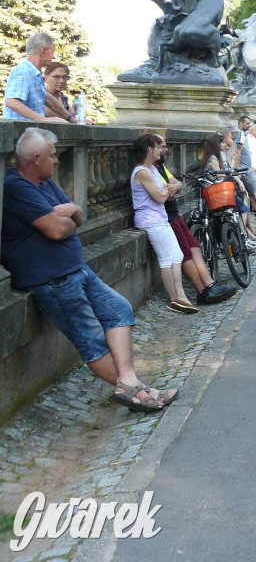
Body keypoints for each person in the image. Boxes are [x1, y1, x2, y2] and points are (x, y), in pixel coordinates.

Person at [2, 128, 178, 412]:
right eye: (52, 156)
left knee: (119, 309)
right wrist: (68, 216)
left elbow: (79, 214)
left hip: (75, 268)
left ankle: (130, 384)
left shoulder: (44, 182)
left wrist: (71, 209)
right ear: (35, 158)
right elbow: (58, 230)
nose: (58, 160)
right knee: (91, 341)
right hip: (52, 279)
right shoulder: (17, 186)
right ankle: (138, 393)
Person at [153, 135, 236, 304]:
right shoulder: (150, 171)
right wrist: (173, 188)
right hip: (166, 217)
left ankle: (210, 285)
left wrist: (174, 187)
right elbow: (166, 195)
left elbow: (177, 185)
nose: (166, 150)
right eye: (161, 147)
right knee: (185, 253)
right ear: (151, 149)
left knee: (194, 247)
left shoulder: (161, 168)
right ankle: (202, 291)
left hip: (174, 214)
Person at [130, 134, 195, 314]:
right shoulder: (142, 171)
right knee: (167, 259)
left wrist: (165, 191)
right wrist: (166, 191)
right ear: (149, 149)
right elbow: (159, 197)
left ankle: (180, 297)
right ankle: (175, 299)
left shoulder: (152, 169)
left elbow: (167, 190)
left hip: (159, 218)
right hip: (150, 220)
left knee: (177, 256)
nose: (161, 150)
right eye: (157, 147)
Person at [3, 32, 69, 123]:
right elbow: (12, 102)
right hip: (19, 135)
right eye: (52, 52)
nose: (53, 57)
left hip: (29, 134)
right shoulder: (23, 72)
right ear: (43, 51)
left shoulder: (35, 74)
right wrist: (44, 119)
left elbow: (46, 98)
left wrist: (73, 119)